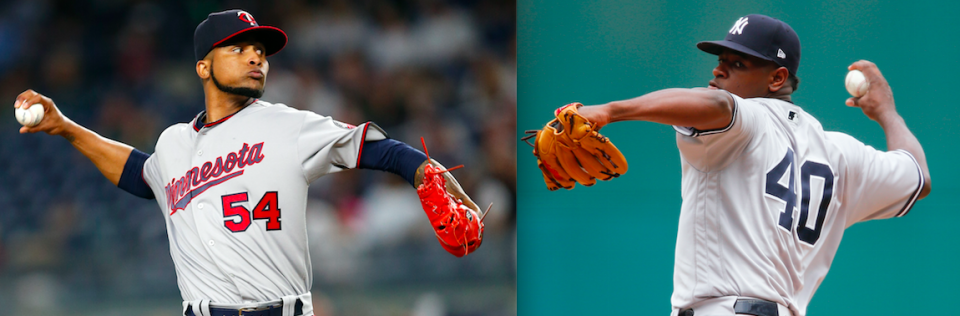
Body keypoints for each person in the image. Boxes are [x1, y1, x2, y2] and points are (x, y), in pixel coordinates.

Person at [14, 9, 484, 316]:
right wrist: (66, 127)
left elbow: (375, 149)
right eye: (238, 49)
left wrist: (420, 168)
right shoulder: (174, 144)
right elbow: (141, 174)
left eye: (260, 50)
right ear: (203, 67)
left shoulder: (290, 126)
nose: (256, 57)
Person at [571, 14, 930, 316]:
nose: (718, 70)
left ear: (776, 79)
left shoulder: (750, 118)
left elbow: (718, 106)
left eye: (737, 64)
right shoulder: (842, 153)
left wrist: (610, 111)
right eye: (721, 60)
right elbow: (918, 175)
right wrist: (887, 113)